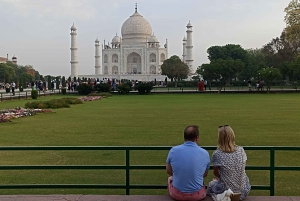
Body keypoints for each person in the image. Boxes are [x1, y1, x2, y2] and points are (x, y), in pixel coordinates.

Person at [166, 125, 210, 201]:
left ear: (184, 137)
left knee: (170, 179)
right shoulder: (205, 153)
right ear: (197, 138)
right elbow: (204, 174)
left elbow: (168, 171)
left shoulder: (173, 150)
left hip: (177, 195)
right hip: (197, 195)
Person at [207, 125, 251, 201]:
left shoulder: (217, 153)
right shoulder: (241, 150)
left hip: (227, 192)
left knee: (211, 184)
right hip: (242, 191)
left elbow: (216, 173)